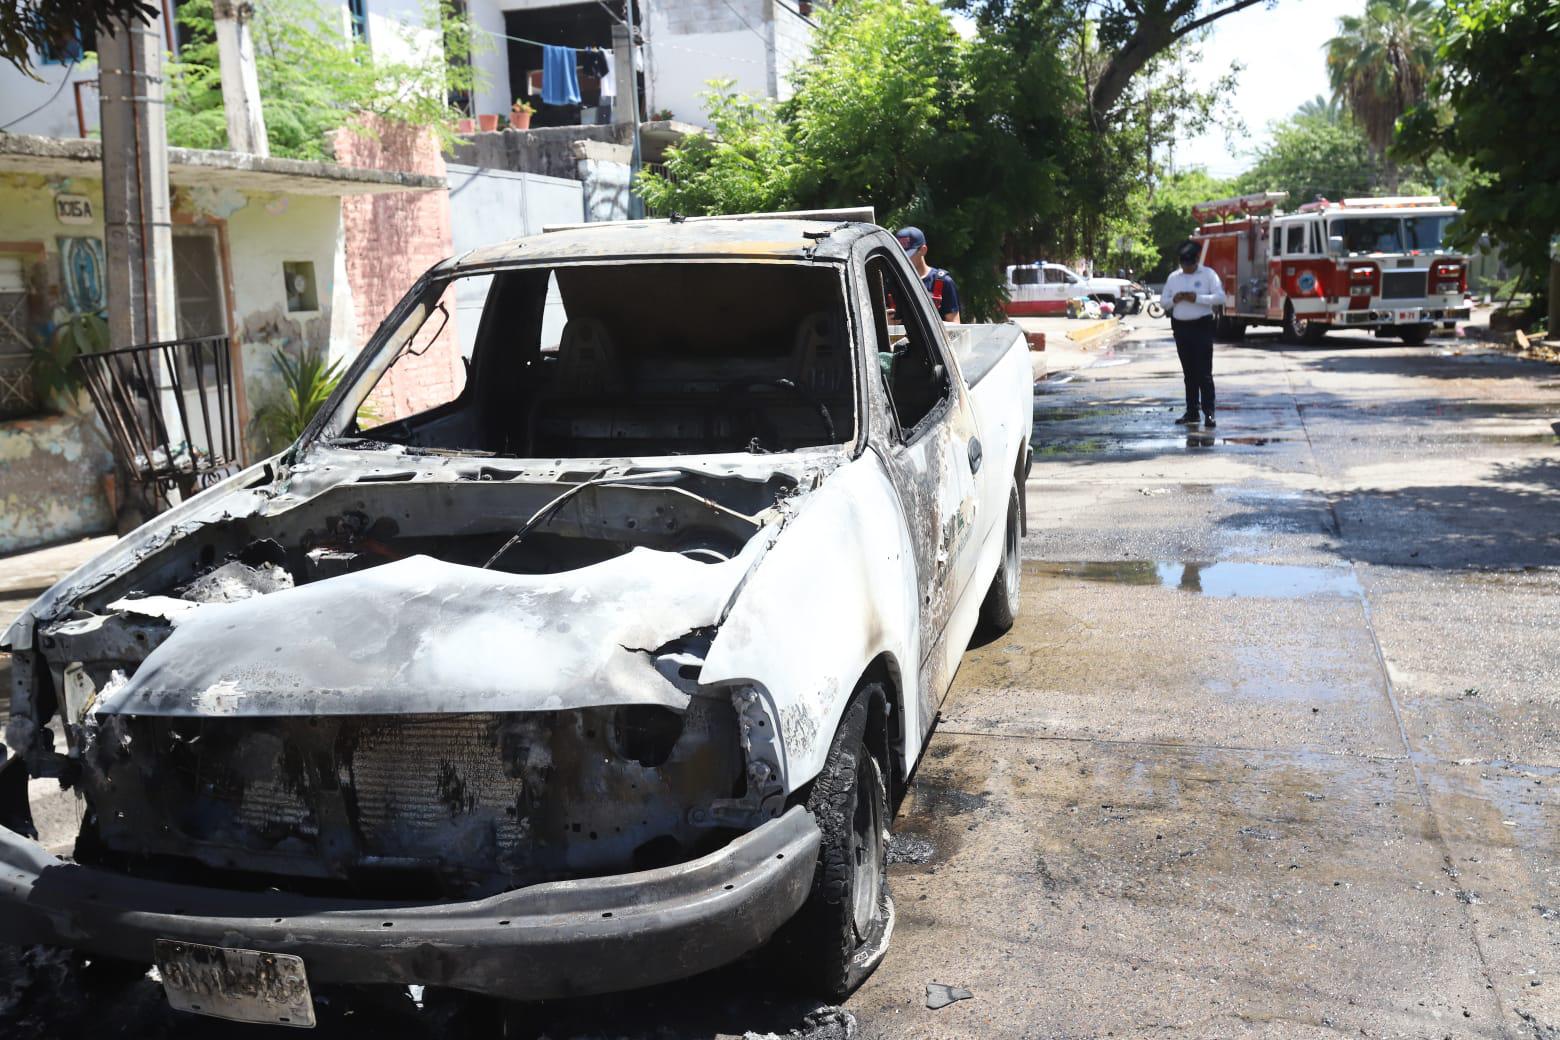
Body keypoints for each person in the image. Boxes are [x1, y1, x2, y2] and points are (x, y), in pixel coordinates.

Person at [1159, 240, 1225, 428]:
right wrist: (1175, 299)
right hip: (1181, 327)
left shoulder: (1208, 275)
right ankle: (1192, 412)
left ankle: (1209, 412)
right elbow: (1163, 302)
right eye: (1183, 264)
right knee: (1189, 372)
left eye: (1189, 264)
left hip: (1202, 326)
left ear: (1196, 261)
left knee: (1204, 372)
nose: (1186, 268)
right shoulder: (1174, 277)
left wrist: (1198, 298)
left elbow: (1220, 297)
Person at [896, 226, 960, 323]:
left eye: (909, 254)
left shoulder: (943, 282)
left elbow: (955, 326)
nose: (905, 259)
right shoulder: (894, 281)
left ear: (923, 250)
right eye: (901, 254)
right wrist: (888, 322)